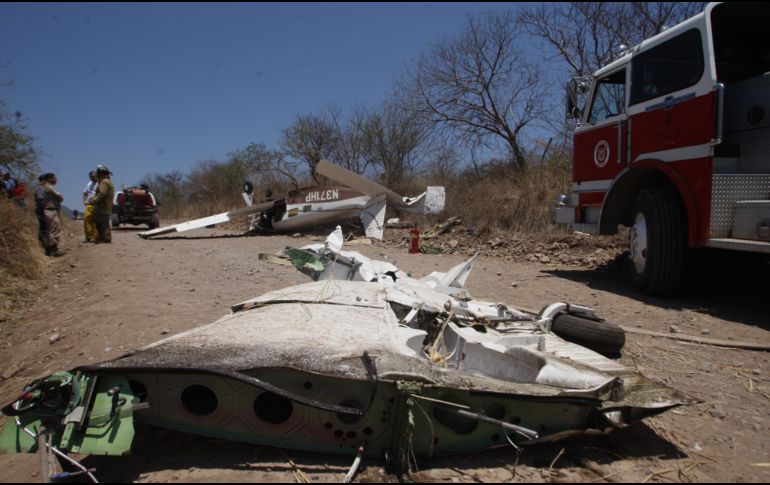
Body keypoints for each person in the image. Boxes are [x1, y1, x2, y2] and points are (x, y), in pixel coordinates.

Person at [40, 173, 64, 256]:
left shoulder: (46, 187)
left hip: (50, 210)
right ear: (50, 179)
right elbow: (60, 197)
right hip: (51, 210)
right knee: (54, 229)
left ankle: (51, 249)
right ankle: (54, 249)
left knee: (52, 229)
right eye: (54, 178)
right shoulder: (49, 187)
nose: (56, 179)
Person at [91, 165, 115, 243]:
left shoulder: (104, 182)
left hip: (102, 207)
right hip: (106, 207)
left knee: (100, 223)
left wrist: (93, 200)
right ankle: (105, 238)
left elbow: (102, 194)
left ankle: (103, 238)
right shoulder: (108, 182)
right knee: (105, 223)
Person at [82, 171, 98, 242]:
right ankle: (89, 236)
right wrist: (84, 201)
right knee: (87, 219)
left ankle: (97, 236)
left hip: (97, 204)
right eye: (91, 177)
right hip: (89, 204)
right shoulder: (89, 184)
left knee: (96, 220)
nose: (92, 178)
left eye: (93, 176)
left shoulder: (100, 183)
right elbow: (85, 193)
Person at [34, 174, 47, 248]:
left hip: (39, 209)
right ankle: (43, 244)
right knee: (43, 227)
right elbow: (41, 200)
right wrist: (45, 209)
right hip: (41, 210)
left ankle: (42, 243)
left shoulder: (38, 188)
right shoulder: (41, 188)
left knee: (42, 226)